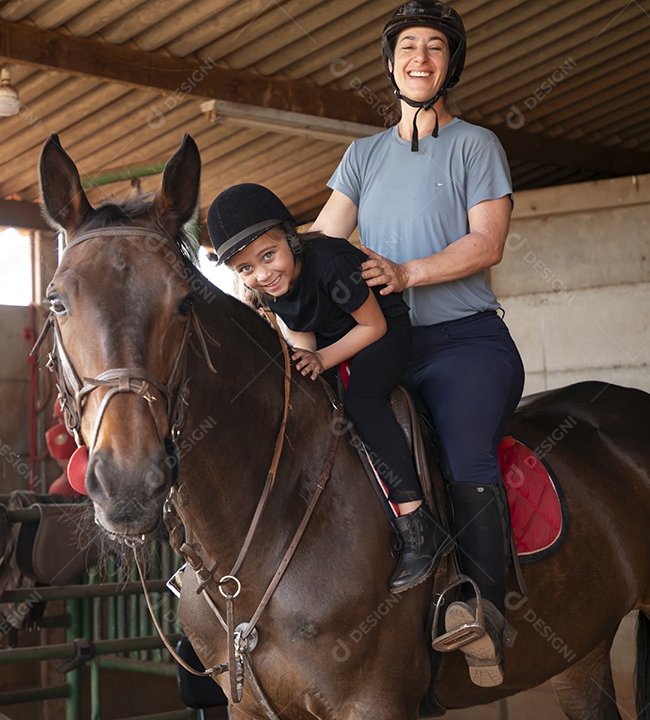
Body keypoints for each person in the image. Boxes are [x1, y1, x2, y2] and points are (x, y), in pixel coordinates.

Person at [308, 0, 525, 688]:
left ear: (450, 63)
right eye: (409, 47)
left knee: (464, 451)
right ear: (392, 63)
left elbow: (486, 243)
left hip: (466, 343)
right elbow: (320, 241)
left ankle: (485, 617)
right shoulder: (362, 155)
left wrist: (406, 273)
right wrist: (265, 268)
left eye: (434, 47)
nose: (421, 58)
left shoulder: (477, 146)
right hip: (384, 339)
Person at [207, 182, 452, 594]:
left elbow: (372, 327)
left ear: (290, 239)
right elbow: (302, 329)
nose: (263, 274)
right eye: (246, 269)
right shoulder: (267, 289)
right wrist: (306, 368)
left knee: (361, 401)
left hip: (380, 333)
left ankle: (419, 525)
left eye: (268, 256)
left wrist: (321, 360)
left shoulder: (332, 262)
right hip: (330, 338)